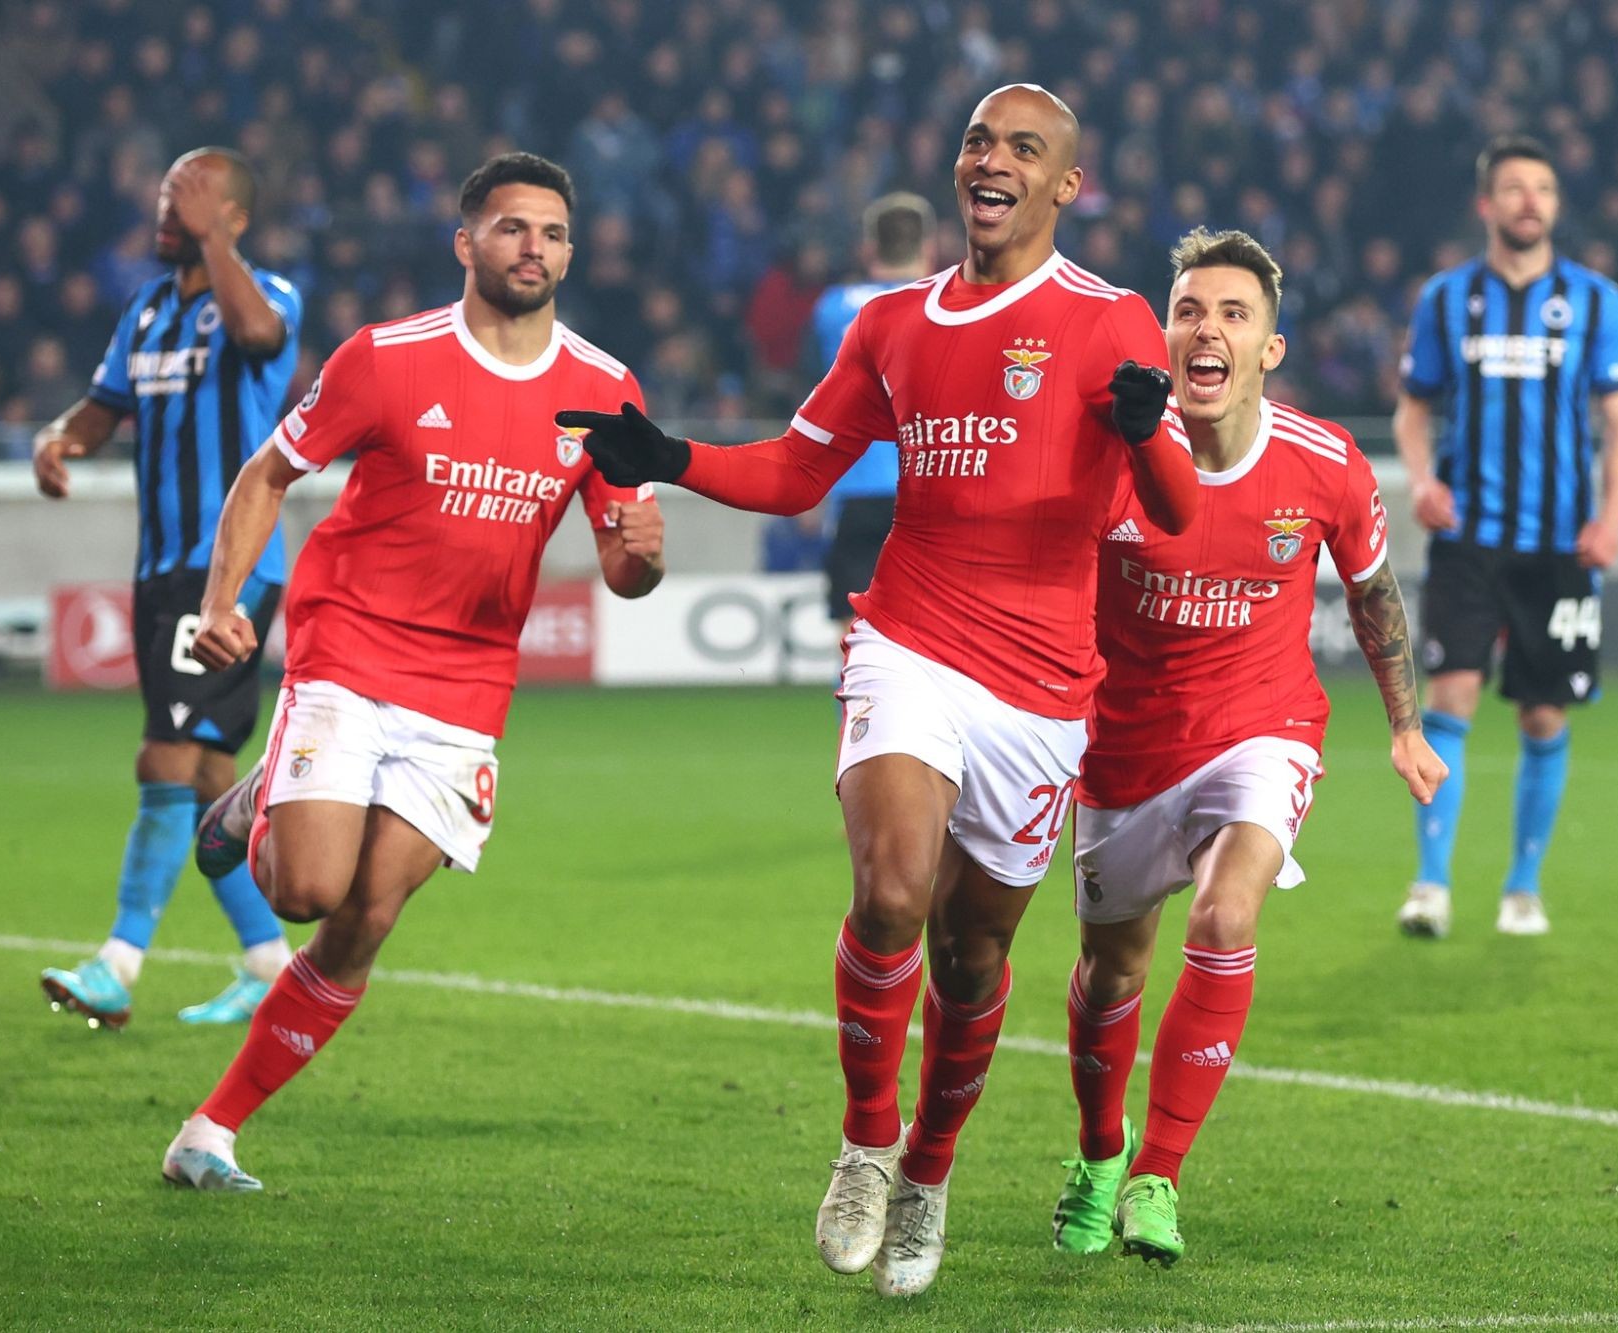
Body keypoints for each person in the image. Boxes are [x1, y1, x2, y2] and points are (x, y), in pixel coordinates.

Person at [562, 85, 1198, 1298]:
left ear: (1065, 185)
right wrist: (673, 456)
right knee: (892, 891)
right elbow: (799, 468)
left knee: (972, 959)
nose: (991, 160)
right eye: (976, 140)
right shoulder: (891, 322)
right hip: (908, 638)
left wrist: (1148, 432)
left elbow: (1170, 514)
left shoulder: (1110, 318)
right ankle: (865, 1140)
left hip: (1041, 687)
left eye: (1022, 148)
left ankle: (928, 1170)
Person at [157, 152, 666, 1191]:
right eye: (513, 228)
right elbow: (268, 472)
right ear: (466, 241)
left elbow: (625, 569)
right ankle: (262, 800)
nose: (534, 248)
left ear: (571, 253)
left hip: (467, 686)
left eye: (553, 233)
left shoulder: (604, 389)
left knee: (367, 919)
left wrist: (644, 556)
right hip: (349, 644)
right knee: (306, 889)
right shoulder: (387, 358)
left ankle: (209, 1130)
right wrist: (220, 605)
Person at [1050, 228, 1447, 1266]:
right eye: (1187, 311)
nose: (1206, 330)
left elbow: (1372, 592)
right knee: (1110, 970)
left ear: (1269, 348)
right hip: (1123, 747)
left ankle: (1157, 1175)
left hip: (1261, 727)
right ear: (1162, 335)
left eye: (1233, 314)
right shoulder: (1109, 451)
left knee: (1226, 913)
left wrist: (1403, 725)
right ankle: (1098, 1154)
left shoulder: (1324, 461)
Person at [33, 148, 302, 1029]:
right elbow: (103, 406)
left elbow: (261, 339)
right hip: (158, 568)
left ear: (233, 218)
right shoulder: (146, 309)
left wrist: (212, 242)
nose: (167, 210)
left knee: (165, 757)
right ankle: (269, 963)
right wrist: (60, 438)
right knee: (205, 776)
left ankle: (117, 964)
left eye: (188, 198)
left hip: (229, 568)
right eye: (164, 196)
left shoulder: (268, 296)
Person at [1393, 135, 1618, 939]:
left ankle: (1523, 888)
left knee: (1543, 717)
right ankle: (1431, 885)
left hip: (1561, 545)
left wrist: (1611, 518)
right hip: (1468, 539)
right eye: (1513, 187)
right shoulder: (1446, 298)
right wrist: (1421, 481)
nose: (1530, 200)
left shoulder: (1596, 301)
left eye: (1543, 188)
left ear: (1556, 205)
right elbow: (1413, 408)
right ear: (1486, 204)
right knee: (1450, 698)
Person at [811, 192, 936, 631]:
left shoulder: (832, 308)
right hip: (933, 483)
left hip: (857, 484)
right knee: (934, 626)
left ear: (868, 248)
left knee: (853, 626)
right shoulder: (955, 304)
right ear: (929, 247)